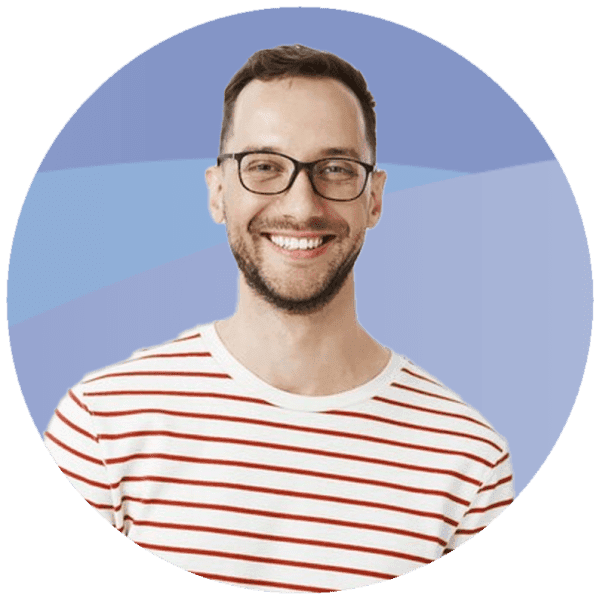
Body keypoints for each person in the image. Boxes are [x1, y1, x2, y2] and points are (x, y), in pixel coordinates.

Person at [44, 45, 514, 593]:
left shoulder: (469, 463)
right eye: (264, 166)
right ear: (218, 191)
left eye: (335, 169)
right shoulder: (103, 425)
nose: (301, 206)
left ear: (375, 199)